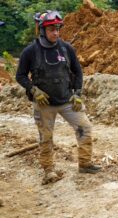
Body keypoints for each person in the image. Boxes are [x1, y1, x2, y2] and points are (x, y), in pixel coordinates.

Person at [16, 11, 101, 185]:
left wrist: (77, 93)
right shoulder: (30, 51)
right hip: (44, 104)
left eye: (57, 29)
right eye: (51, 29)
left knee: (84, 128)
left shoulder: (66, 48)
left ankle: (85, 164)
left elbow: (77, 71)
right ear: (42, 30)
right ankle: (48, 171)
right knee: (46, 138)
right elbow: (20, 76)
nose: (55, 33)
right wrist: (33, 90)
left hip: (67, 100)